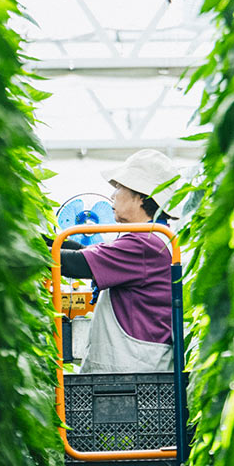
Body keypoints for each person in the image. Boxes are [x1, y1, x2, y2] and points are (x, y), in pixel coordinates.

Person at [59, 150, 178, 374]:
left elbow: (77, 263)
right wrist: (49, 242)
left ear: (141, 197)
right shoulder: (156, 238)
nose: (113, 195)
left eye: (120, 187)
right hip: (139, 367)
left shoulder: (144, 244)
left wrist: (26, 248)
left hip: (133, 372)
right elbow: (90, 253)